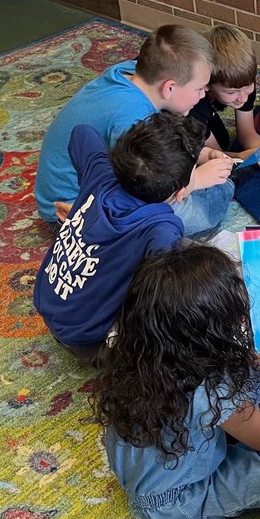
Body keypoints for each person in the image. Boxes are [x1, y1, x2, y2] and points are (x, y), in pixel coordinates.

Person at [95, 245, 260, 519]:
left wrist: (246, 361)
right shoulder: (213, 390)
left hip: (145, 472)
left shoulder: (141, 351)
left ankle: (249, 416)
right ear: (210, 332)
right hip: (180, 506)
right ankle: (256, 417)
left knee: (246, 376)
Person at [32, 112, 204, 364]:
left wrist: (85, 204)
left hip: (50, 305)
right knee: (196, 283)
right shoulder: (162, 228)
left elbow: (82, 131)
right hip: (90, 342)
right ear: (180, 192)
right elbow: (169, 297)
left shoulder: (100, 173)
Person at [33, 24, 235, 231]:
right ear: (169, 87)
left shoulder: (131, 72)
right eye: (200, 89)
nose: (202, 95)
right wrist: (197, 181)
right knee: (203, 208)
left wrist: (201, 153)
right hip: (76, 211)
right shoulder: (131, 117)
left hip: (76, 189)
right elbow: (145, 186)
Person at [188, 24, 260, 171]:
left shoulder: (243, 83)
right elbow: (214, 156)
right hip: (171, 129)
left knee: (223, 139)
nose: (242, 98)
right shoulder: (193, 105)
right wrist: (244, 157)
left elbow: (247, 132)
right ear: (206, 84)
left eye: (247, 87)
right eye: (231, 92)